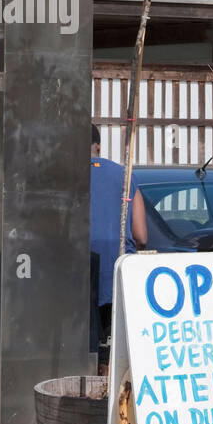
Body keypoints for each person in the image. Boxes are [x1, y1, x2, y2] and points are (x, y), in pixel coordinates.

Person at [89, 124, 147, 369]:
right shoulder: (126, 176)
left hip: (78, 274)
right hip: (118, 271)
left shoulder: (63, 178)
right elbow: (141, 235)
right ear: (98, 146)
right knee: (112, 351)